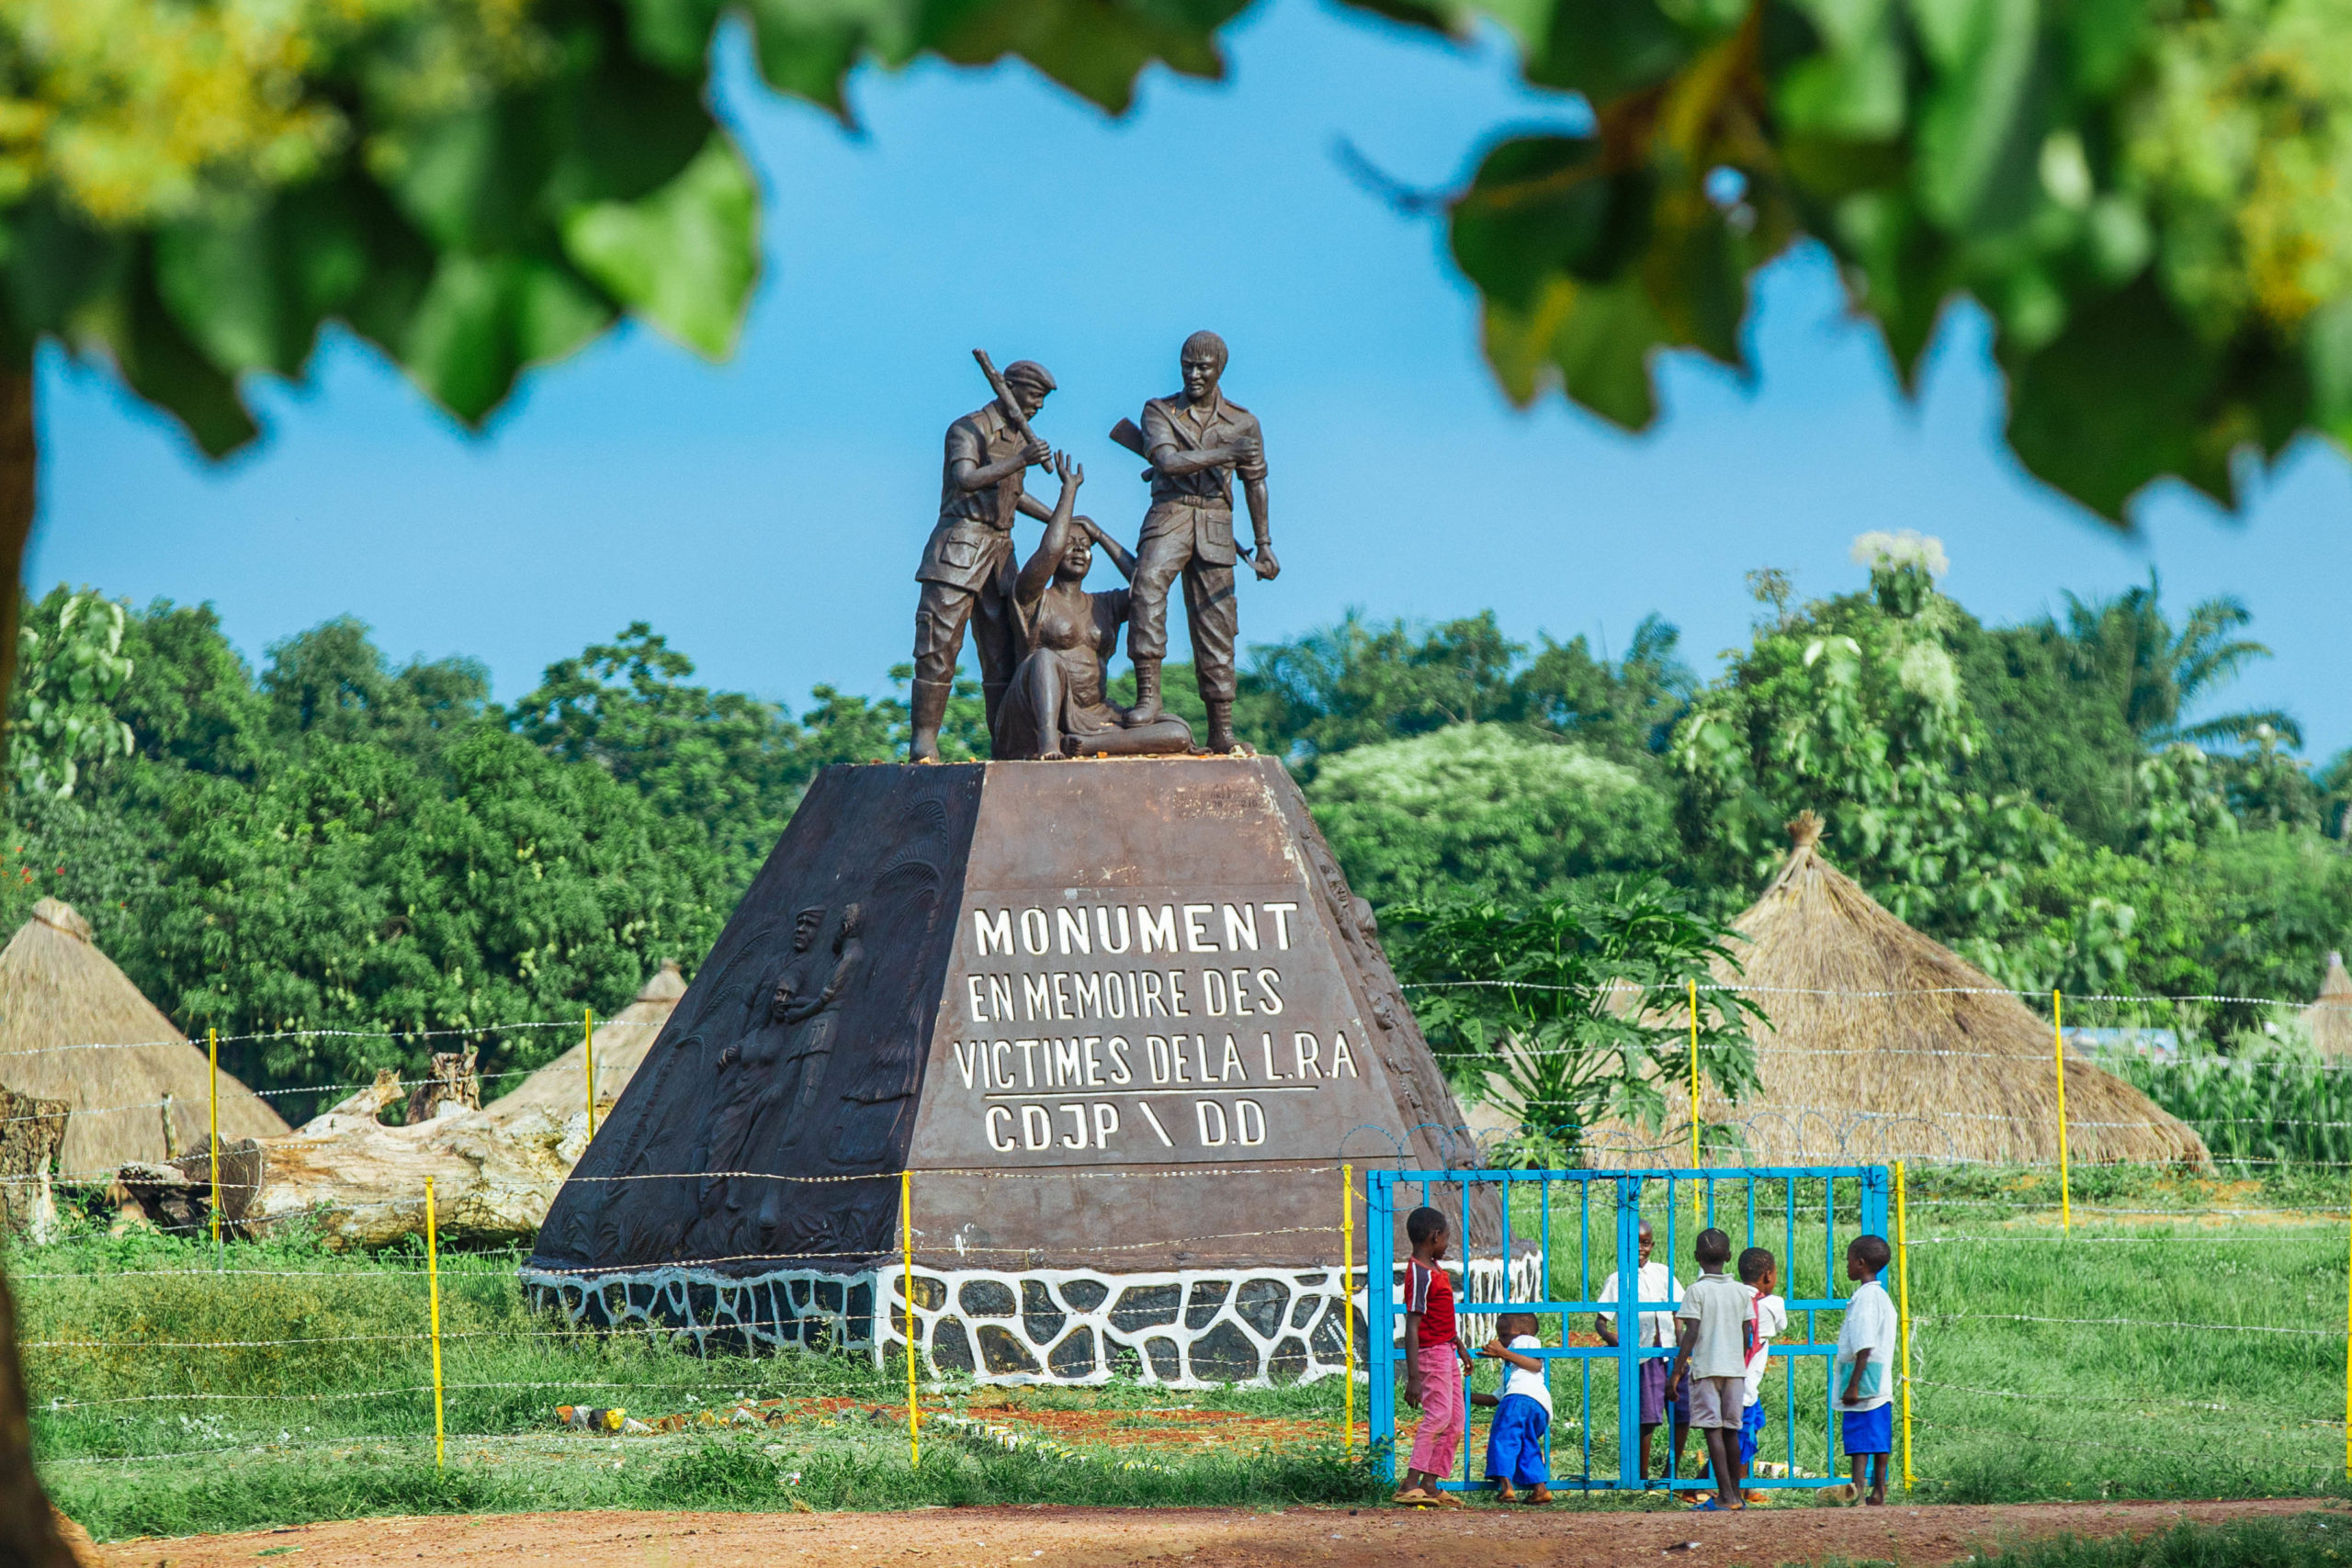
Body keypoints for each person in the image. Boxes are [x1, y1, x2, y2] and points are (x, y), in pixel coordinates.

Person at [1121, 330, 1279, 755]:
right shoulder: (1159, 411)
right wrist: (1227, 454)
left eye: (1203, 368)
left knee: (1218, 622)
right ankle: (1148, 698)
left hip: (1216, 521)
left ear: (1219, 370)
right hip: (1170, 513)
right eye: (1187, 366)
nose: (1193, 374)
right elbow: (1168, 463)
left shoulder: (1244, 422)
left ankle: (1221, 728)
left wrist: (1264, 543)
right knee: (1147, 586)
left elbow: (1256, 485)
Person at [990, 455, 1194, 760]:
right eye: (1071, 543)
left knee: (1177, 733)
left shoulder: (1105, 603)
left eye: (1086, 547)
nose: (1079, 551)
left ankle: (1090, 747)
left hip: (1095, 716)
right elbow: (1049, 549)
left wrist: (1098, 533)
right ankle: (1050, 745)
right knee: (1044, 658)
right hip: (1035, 716)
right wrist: (1069, 492)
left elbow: (1149, 583)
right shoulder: (1032, 595)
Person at [910, 359, 1058, 762]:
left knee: (1004, 651)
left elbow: (1014, 493)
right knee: (938, 644)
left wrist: (1062, 512)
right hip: (960, 544)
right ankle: (924, 742)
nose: (1039, 407)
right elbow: (967, 478)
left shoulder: (1016, 439)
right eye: (1035, 396)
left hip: (1000, 553)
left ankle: (1006, 744)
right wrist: (1020, 460)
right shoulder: (968, 428)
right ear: (1008, 388)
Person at [1667, 1228, 1754, 1512]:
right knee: (1731, 1431)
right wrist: (1737, 1360)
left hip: (1706, 1370)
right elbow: (1747, 1334)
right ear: (1729, 1257)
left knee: (1712, 1431)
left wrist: (1677, 1371)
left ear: (1696, 1257)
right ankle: (1735, 1495)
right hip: (1735, 1371)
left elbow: (1691, 1333)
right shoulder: (1742, 1291)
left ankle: (1725, 1495)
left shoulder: (1696, 1291)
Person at [1596, 1218, 1690, 1480]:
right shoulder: (1618, 1279)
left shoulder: (1663, 1272)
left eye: (1645, 1243)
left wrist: (1682, 1346)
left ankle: (1672, 1469)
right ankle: (1642, 1475)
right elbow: (1601, 1320)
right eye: (1634, 1243)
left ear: (1653, 1245)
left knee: (1683, 1413)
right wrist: (1610, 1336)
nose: (1640, 1248)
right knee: (1647, 1417)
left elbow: (1679, 1311)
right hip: (1643, 1355)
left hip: (1670, 1351)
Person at [1394, 1206, 1474, 1508]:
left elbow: (1439, 1318)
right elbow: (1412, 1328)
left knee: (1455, 1420)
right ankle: (1409, 1483)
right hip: (1432, 1355)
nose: (1448, 1243)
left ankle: (1430, 1482)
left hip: (1447, 1350)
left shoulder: (1435, 1269)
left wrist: (1459, 1345)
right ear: (1434, 1236)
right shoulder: (1420, 1273)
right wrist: (1413, 1378)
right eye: (1446, 1238)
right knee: (1438, 1416)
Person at [1835, 1234, 1898, 1506]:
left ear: (1860, 1263)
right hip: (1879, 1379)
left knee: (1860, 1437)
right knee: (1879, 1436)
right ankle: (1879, 1489)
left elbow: (1864, 1343)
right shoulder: (1880, 1296)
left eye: (1849, 1260)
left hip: (1862, 1379)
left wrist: (1854, 1384)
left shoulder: (1865, 1299)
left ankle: (1858, 1488)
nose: (1846, 1265)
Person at [1473, 1310, 1554, 1505]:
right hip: (1538, 1406)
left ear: (1524, 1331)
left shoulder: (1526, 1341)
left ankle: (1506, 1486)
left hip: (1518, 1400)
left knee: (1502, 1440)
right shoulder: (1512, 1369)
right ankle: (1540, 1489)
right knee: (1528, 1445)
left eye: (1505, 1335)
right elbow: (1494, 1398)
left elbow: (1535, 1365)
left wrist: (1503, 1352)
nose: (1501, 1340)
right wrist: (1462, 1396)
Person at [1736, 1247, 1787, 1504]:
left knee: (1744, 1433)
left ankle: (1741, 1487)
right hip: (1746, 1387)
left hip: (1732, 1381)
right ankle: (1738, 1488)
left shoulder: (1733, 1295)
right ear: (1768, 1276)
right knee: (1743, 1437)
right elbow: (1782, 1326)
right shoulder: (1774, 1303)